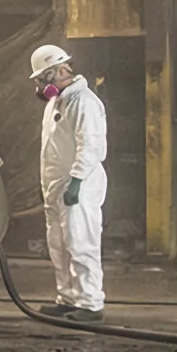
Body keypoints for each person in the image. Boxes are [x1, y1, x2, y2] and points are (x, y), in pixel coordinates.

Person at [31, 43, 107, 323]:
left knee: (80, 241)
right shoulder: (57, 102)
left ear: (63, 69)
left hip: (79, 184)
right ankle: (68, 297)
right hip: (56, 185)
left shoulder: (83, 101)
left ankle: (90, 302)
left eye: (45, 77)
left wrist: (77, 179)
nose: (42, 84)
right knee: (59, 245)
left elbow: (91, 145)